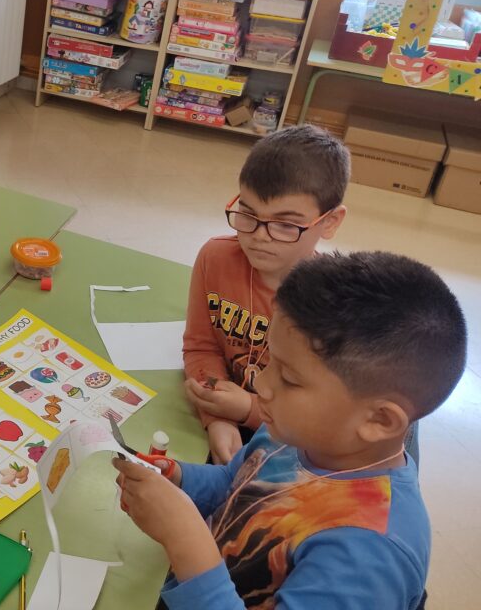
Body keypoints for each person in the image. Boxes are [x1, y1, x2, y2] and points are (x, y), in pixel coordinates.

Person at [114, 251, 465, 609]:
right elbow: (237, 486)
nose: (261, 385)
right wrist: (179, 478)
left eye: (290, 378)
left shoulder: (368, 553)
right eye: (270, 362)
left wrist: (184, 540)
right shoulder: (291, 432)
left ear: (379, 421)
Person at [182, 124, 349, 464]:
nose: (259, 236)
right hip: (224, 412)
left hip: (290, 442)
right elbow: (201, 347)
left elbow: (324, 418)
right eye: (248, 214)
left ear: (330, 222)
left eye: (285, 224)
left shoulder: (333, 306)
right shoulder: (215, 258)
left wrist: (248, 409)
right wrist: (217, 416)